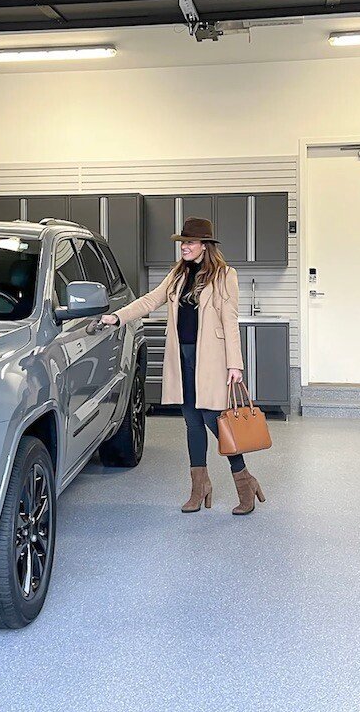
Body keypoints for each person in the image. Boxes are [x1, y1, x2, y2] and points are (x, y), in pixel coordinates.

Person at [101, 217, 267, 515]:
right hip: (181, 358)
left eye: (189, 242)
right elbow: (150, 301)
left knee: (214, 419)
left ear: (205, 245)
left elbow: (230, 320)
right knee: (192, 421)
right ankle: (199, 487)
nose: (184, 247)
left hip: (211, 359)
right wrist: (118, 317)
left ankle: (245, 481)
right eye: (182, 243)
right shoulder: (177, 275)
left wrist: (235, 364)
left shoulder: (225, 275)